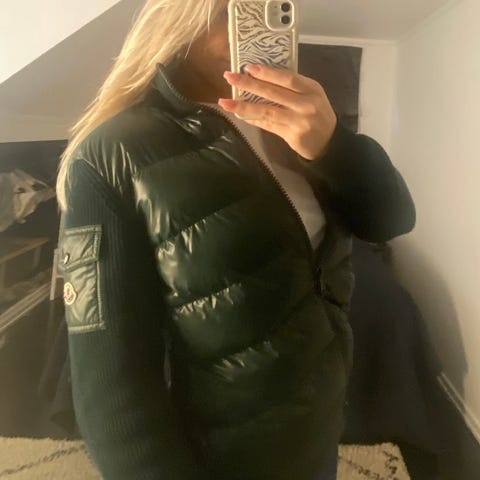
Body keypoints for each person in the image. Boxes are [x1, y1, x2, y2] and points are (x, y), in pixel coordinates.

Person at [55, 1, 416, 479]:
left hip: (315, 424)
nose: (249, 25)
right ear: (183, 17)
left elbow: (390, 220)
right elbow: (111, 389)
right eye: (235, 8)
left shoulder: (300, 116)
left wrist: (333, 145)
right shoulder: (113, 153)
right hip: (216, 456)